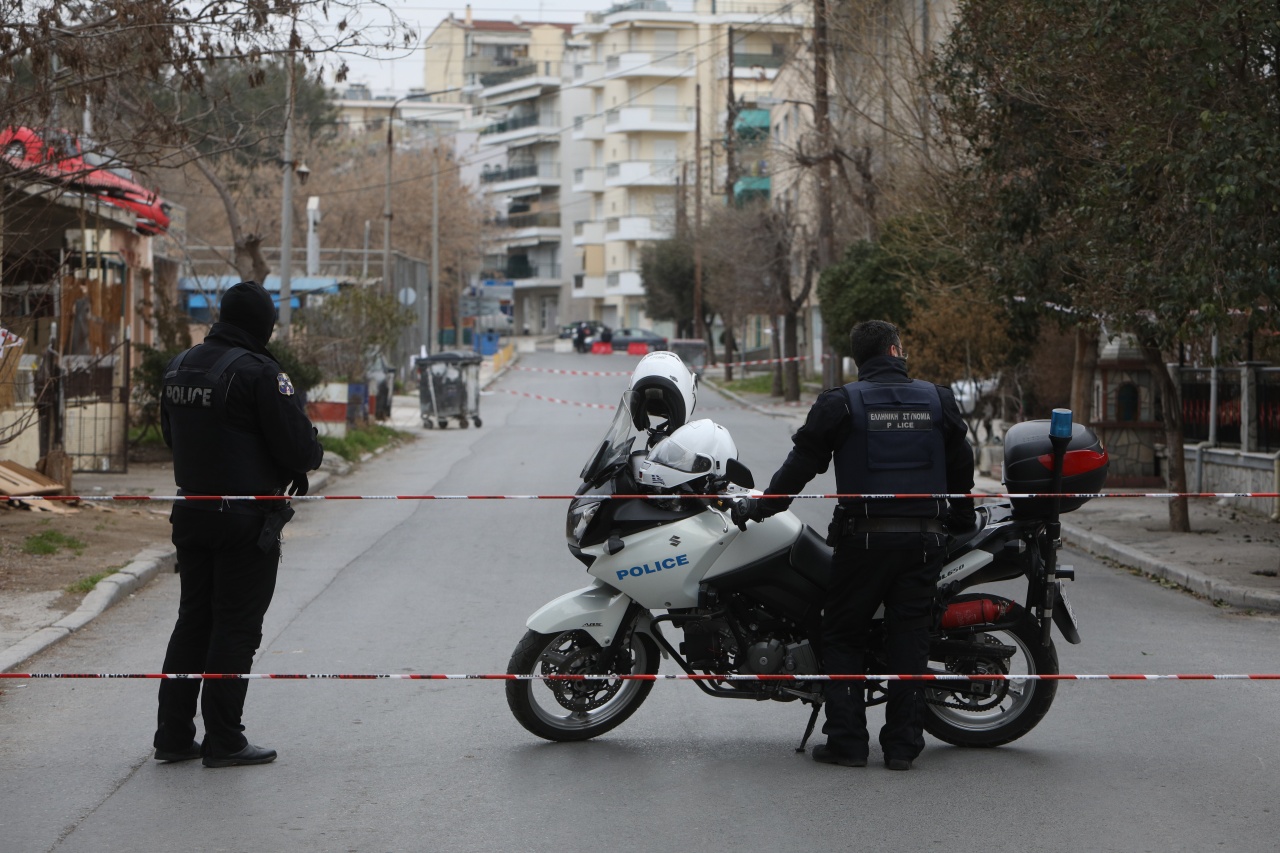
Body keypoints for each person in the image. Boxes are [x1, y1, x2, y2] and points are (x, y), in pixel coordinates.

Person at [736, 320, 974, 771]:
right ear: (894, 349)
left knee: (842, 635)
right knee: (910, 640)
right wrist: (959, 520)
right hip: (923, 542)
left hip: (862, 542)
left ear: (859, 360)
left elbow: (801, 464)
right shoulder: (937, 399)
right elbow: (962, 465)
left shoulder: (841, 403)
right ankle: (903, 747)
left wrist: (761, 508)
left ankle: (847, 742)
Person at [152, 281, 324, 768]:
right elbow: (299, 451)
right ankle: (225, 739)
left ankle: (172, 735)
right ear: (262, 325)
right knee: (236, 628)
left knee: (193, 622)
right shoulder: (259, 373)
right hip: (244, 522)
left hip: (190, 512)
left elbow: (171, 435)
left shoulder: (179, 366)